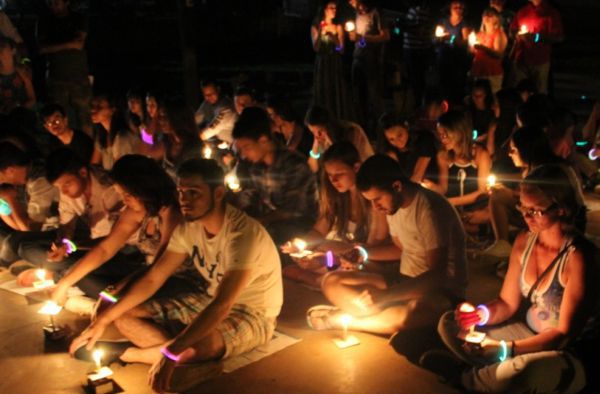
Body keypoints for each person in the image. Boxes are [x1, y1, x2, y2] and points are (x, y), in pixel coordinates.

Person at [68, 159, 283, 393]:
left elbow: (224, 303)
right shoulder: (189, 228)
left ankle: (131, 353)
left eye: (194, 193)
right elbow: (153, 278)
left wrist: (171, 353)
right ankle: (179, 358)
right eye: (181, 192)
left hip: (254, 313)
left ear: (218, 193)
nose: (185, 200)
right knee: (123, 315)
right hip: (208, 299)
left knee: (193, 348)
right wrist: (104, 320)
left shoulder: (242, 235)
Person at [428, 164, 598, 393]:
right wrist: (479, 314)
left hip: (568, 353)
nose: (525, 217)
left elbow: (563, 336)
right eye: (522, 207)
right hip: (526, 333)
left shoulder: (579, 256)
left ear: (562, 208)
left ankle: (470, 375)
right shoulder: (524, 241)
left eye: (535, 210)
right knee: (449, 323)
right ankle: (488, 373)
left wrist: (504, 350)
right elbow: (507, 303)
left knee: (524, 375)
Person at [307, 155, 467, 342]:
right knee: (331, 281)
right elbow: (400, 248)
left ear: (397, 186)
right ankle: (383, 316)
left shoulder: (429, 209)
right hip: (404, 280)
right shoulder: (394, 205)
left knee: (414, 313)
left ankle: (348, 320)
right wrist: (362, 253)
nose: (375, 207)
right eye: (371, 201)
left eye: (377, 199)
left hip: (438, 291)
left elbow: (436, 276)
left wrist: (385, 296)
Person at [49, 155, 181, 300]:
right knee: (82, 278)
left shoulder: (172, 213)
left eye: (127, 194)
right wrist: (64, 283)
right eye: (121, 195)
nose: (124, 200)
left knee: (111, 298)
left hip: (169, 278)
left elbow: (159, 267)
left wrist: (117, 288)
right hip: (143, 271)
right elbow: (105, 249)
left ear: (143, 187)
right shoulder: (136, 211)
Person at [282, 142, 388, 288]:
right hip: (336, 258)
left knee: (326, 250)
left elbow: (371, 247)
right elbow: (319, 231)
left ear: (356, 168)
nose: (334, 180)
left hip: (362, 260)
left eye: (339, 174)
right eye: (330, 175)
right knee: (290, 269)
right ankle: (327, 279)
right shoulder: (336, 197)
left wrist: (328, 257)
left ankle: (320, 281)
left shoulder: (373, 199)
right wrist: (299, 245)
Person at [8, 148, 122, 274]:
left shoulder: (112, 190)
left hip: (115, 252)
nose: (63, 191)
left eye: (66, 184)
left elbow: (117, 240)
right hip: (88, 245)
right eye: (58, 187)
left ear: (83, 172)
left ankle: (64, 274)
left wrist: (72, 246)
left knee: (81, 275)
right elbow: (67, 226)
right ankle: (63, 272)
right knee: (25, 247)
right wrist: (61, 243)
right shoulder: (69, 192)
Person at [232, 107, 317, 245]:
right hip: (271, 228)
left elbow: (293, 210)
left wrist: (262, 221)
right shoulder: (256, 167)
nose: (243, 154)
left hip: (299, 232)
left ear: (263, 140)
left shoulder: (294, 165)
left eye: (247, 147)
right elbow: (251, 196)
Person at [36, 0, 92, 135]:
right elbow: (42, 49)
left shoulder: (78, 18)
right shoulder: (44, 21)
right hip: (57, 77)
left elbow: (78, 44)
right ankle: (64, 149)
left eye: (56, 3)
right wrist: (69, 44)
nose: (53, 6)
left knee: (85, 117)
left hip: (78, 76)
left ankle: (87, 147)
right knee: (57, 116)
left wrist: (54, 46)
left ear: (66, 2)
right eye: (50, 3)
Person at [0, 141, 57, 265]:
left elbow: (29, 230)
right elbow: (17, 225)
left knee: (12, 243)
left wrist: (10, 199)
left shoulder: (40, 180)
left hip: (58, 232)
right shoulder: (20, 180)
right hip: (35, 232)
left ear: (10, 170)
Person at [435, 110, 492, 227]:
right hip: (452, 210)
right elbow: (443, 188)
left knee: (488, 215)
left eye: (445, 134)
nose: (442, 138)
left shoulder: (480, 154)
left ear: (459, 132)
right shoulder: (443, 155)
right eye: (440, 134)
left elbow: (482, 191)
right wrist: (429, 187)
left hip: (476, 208)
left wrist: (451, 202)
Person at [348, 0, 389, 133]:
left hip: (371, 60)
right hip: (357, 58)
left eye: (354, 1)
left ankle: (382, 129)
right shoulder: (357, 14)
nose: (352, 4)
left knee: (374, 95)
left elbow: (385, 36)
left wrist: (364, 39)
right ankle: (363, 127)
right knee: (358, 96)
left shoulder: (376, 13)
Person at [509, 0, 564, 94]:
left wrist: (536, 37)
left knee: (539, 92)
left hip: (539, 61)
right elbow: (512, 30)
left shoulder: (551, 13)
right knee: (519, 92)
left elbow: (559, 38)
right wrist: (516, 35)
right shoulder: (522, 11)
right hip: (521, 59)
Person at [310, 1, 353, 121]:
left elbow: (341, 49)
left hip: (334, 62)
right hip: (322, 62)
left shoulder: (338, 27)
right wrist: (321, 33)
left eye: (335, 8)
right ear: (324, 9)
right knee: (323, 89)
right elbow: (316, 48)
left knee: (336, 89)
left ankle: (338, 117)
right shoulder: (315, 26)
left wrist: (335, 39)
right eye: (331, 8)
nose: (334, 10)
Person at [304, 105, 373, 173]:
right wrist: (315, 147)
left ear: (329, 126)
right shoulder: (320, 139)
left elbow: (346, 163)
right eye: (313, 132)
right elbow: (311, 169)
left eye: (320, 131)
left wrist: (332, 144)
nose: (317, 135)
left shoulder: (352, 131)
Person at [377, 112, 441, 185]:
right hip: (409, 188)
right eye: (391, 139)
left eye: (399, 135)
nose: (398, 142)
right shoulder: (391, 151)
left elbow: (417, 175)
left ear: (406, 127)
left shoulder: (424, 139)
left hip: (429, 187)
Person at [434, 0, 471, 104]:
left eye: (461, 7)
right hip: (444, 57)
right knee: (443, 83)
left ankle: (456, 107)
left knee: (457, 86)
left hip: (458, 59)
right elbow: (437, 37)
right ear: (450, 7)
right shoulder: (443, 21)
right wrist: (440, 38)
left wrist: (451, 38)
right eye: (456, 7)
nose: (458, 9)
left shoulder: (464, 23)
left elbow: (465, 42)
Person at [158, 96, 203, 180]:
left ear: (177, 117)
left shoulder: (193, 147)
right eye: (159, 116)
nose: (160, 120)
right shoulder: (167, 141)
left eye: (164, 115)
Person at [90, 94, 139, 171]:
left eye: (99, 107)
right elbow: (93, 165)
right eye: (92, 106)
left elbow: (120, 172)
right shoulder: (101, 136)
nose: (93, 110)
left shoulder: (122, 138)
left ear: (112, 110)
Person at [470, 8, 508, 94]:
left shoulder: (499, 34)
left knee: (492, 97)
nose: (486, 16)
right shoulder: (479, 34)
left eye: (490, 15)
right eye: (485, 14)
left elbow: (499, 55)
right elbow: (475, 52)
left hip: (492, 73)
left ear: (496, 19)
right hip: (478, 72)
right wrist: (472, 49)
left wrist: (482, 48)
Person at [195, 79, 237, 144]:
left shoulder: (226, 109)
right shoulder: (207, 104)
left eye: (211, 94)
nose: (209, 97)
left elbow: (210, 130)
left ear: (218, 90)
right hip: (214, 144)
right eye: (206, 95)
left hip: (228, 147)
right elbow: (196, 119)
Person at [0, 36, 35, 114]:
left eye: (3, 46)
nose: (1, 49)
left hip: (22, 115)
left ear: (13, 50)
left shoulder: (23, 72)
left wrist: (19, 108)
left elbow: (32, 99)